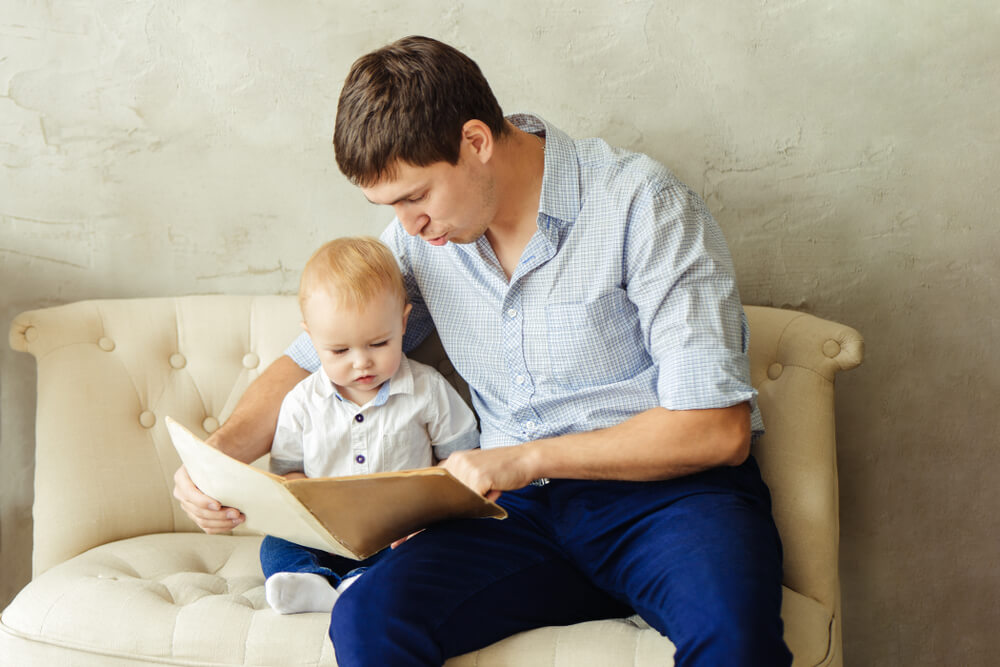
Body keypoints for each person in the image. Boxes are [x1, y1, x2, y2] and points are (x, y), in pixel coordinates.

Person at [174, 35, 792, 666]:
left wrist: (523, 459)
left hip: (669, 502)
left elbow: (716, 430)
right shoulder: (424, 240)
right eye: (389, 207)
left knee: (736, 643)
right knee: (370, 620)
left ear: (476, 142)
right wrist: (218, 457)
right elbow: (311, 361)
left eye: (415, 197)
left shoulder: (644, 205)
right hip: (512, 518)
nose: (407, 225)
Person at [258, 236, 479, 615]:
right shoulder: (301, 402)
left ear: (404, 323)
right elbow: (288, 474)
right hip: (326, 533)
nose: (361, 363)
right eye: (340, 351)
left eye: (378, 343)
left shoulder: (427, 390)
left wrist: (428, 510)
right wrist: (304, 503)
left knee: (431, 548)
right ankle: (310, 581)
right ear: (311, 339)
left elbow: (462, 459)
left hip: (400, 532)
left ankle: (363, 585)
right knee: (275, 543)